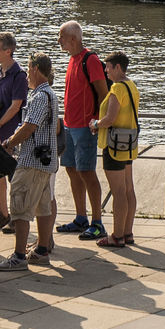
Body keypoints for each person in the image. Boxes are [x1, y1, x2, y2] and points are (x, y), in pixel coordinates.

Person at [0, 52, 58, 270]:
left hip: (32, 160)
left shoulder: (40, 96)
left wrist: (10, 141)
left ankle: (19, 256)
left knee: (20, 205)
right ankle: (41, 250)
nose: (26, 74)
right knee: (42, 207)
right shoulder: (49, 94)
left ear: (35, 69)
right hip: (45, 162)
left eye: (29, 68)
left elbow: (29, 126)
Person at [56, 20, 109, 241]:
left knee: (87, 171)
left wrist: (96, 120)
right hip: (70, 125)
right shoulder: (72, 60)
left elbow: (102, 92)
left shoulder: (91, 60)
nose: (58, 41)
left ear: (74, 39)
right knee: (70, 168)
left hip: (85, 127)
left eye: (61, 37)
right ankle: (81, 217)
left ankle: (97, 222)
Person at [89, 52, 139, 248]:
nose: (106, 71)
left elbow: (110, 118)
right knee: (128, 189)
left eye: (108, 67)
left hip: (114, 145)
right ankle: (127, 232)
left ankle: (117, 236)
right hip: (128, 144)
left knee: (118, 191)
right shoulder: (132, 86)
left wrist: (95, 124)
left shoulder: (117, 88)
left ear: (118, 67)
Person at [0, 32, 28, 235]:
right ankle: (3, 213)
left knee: (15, 177)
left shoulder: (19, 75)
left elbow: (16, 105)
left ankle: (16, 215)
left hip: (13, 135)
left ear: (8, 51)